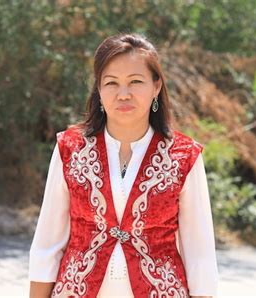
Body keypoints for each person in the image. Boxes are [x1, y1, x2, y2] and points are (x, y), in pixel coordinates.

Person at [29, 33, 219, 298]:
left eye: (135, 82)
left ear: (156, 87)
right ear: (98, 89)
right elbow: (47, 244)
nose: (123, 94)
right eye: (111, 83)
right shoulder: (70, 148)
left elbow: (200, 255)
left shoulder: (184, 156)